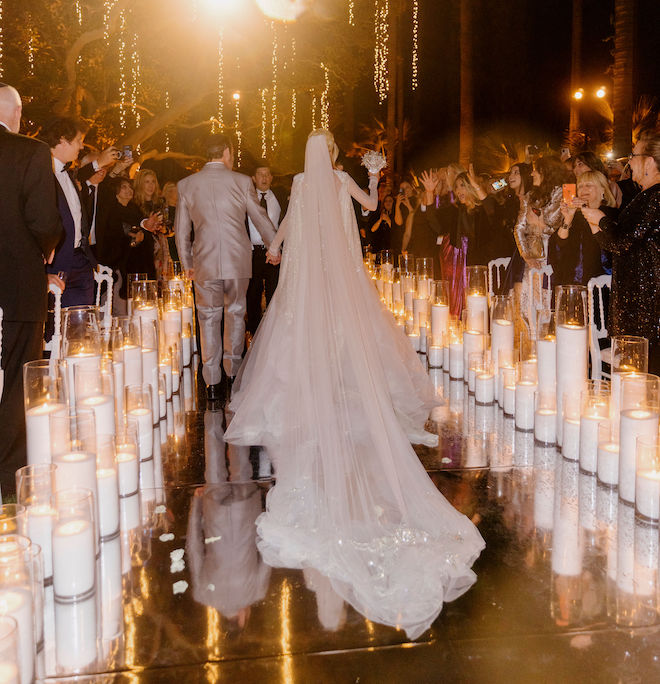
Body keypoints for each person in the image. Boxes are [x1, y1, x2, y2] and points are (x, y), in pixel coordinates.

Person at [225, 130, 484, 639]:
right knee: (349, 333)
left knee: (300, 333)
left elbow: (288, 226)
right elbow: (370, 206)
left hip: (308, 278)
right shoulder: (340, 178)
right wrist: (372, 174)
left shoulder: (300, 182)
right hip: (338, 275)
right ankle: (343, 385)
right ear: (335, 156)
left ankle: (312, 388)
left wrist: (276, 251)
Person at [174, 134, 279, 401]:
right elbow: (260, 217)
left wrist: (187, 263)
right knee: (235, 314)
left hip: (203, 262)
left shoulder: (187, 185)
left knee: (207, 318)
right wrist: (274, 246)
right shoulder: (242, 181)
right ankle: (232, 374)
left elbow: (181, 231)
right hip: (237, 261)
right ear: (226, 152)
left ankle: (211, 382)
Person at [0, 84, 62, 495]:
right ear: (16, 112)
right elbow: (44, 220)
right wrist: (44, 248)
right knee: (15, 383)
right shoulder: (28, 151)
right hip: (16, 288)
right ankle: (8, 482)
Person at [582, 131, 660, 375]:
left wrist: (602, 221)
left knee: (642, 376)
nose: (629, 162)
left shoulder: (655, 197)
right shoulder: (645, 197)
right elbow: (618, 243)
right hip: (638, 304)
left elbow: (624, 239)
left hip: (645, 307)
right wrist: (596, 223)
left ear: (649, 162)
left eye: (633, 156)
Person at [43, 117, 97, 307]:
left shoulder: (69, 174)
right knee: (56, 331)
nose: (82, 146)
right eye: (78, 141)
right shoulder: (39, 174)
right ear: (63, 141)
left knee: (83, 329)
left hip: (81, 261)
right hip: (56, 265)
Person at [548, 171, 616, 286]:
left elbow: (609, 249)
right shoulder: (576, 216)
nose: (583, 189)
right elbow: (557, 247)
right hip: (572, 282)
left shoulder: (611, 215)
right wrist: (568, 219)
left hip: (601, 285)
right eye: (580, 186)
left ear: (603, 190)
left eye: (588, 185)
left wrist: (587, 210)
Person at [246, 160, 284, 339]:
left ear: (272, 177)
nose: (264, 178)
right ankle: (254, 333)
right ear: (253, 178)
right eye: (260, 174)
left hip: (273, 253)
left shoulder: (279, 198)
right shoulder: (246, 199)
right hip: (251, 253)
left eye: (267, 174)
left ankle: (272, 334)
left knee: (274, 292)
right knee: (252, 294)